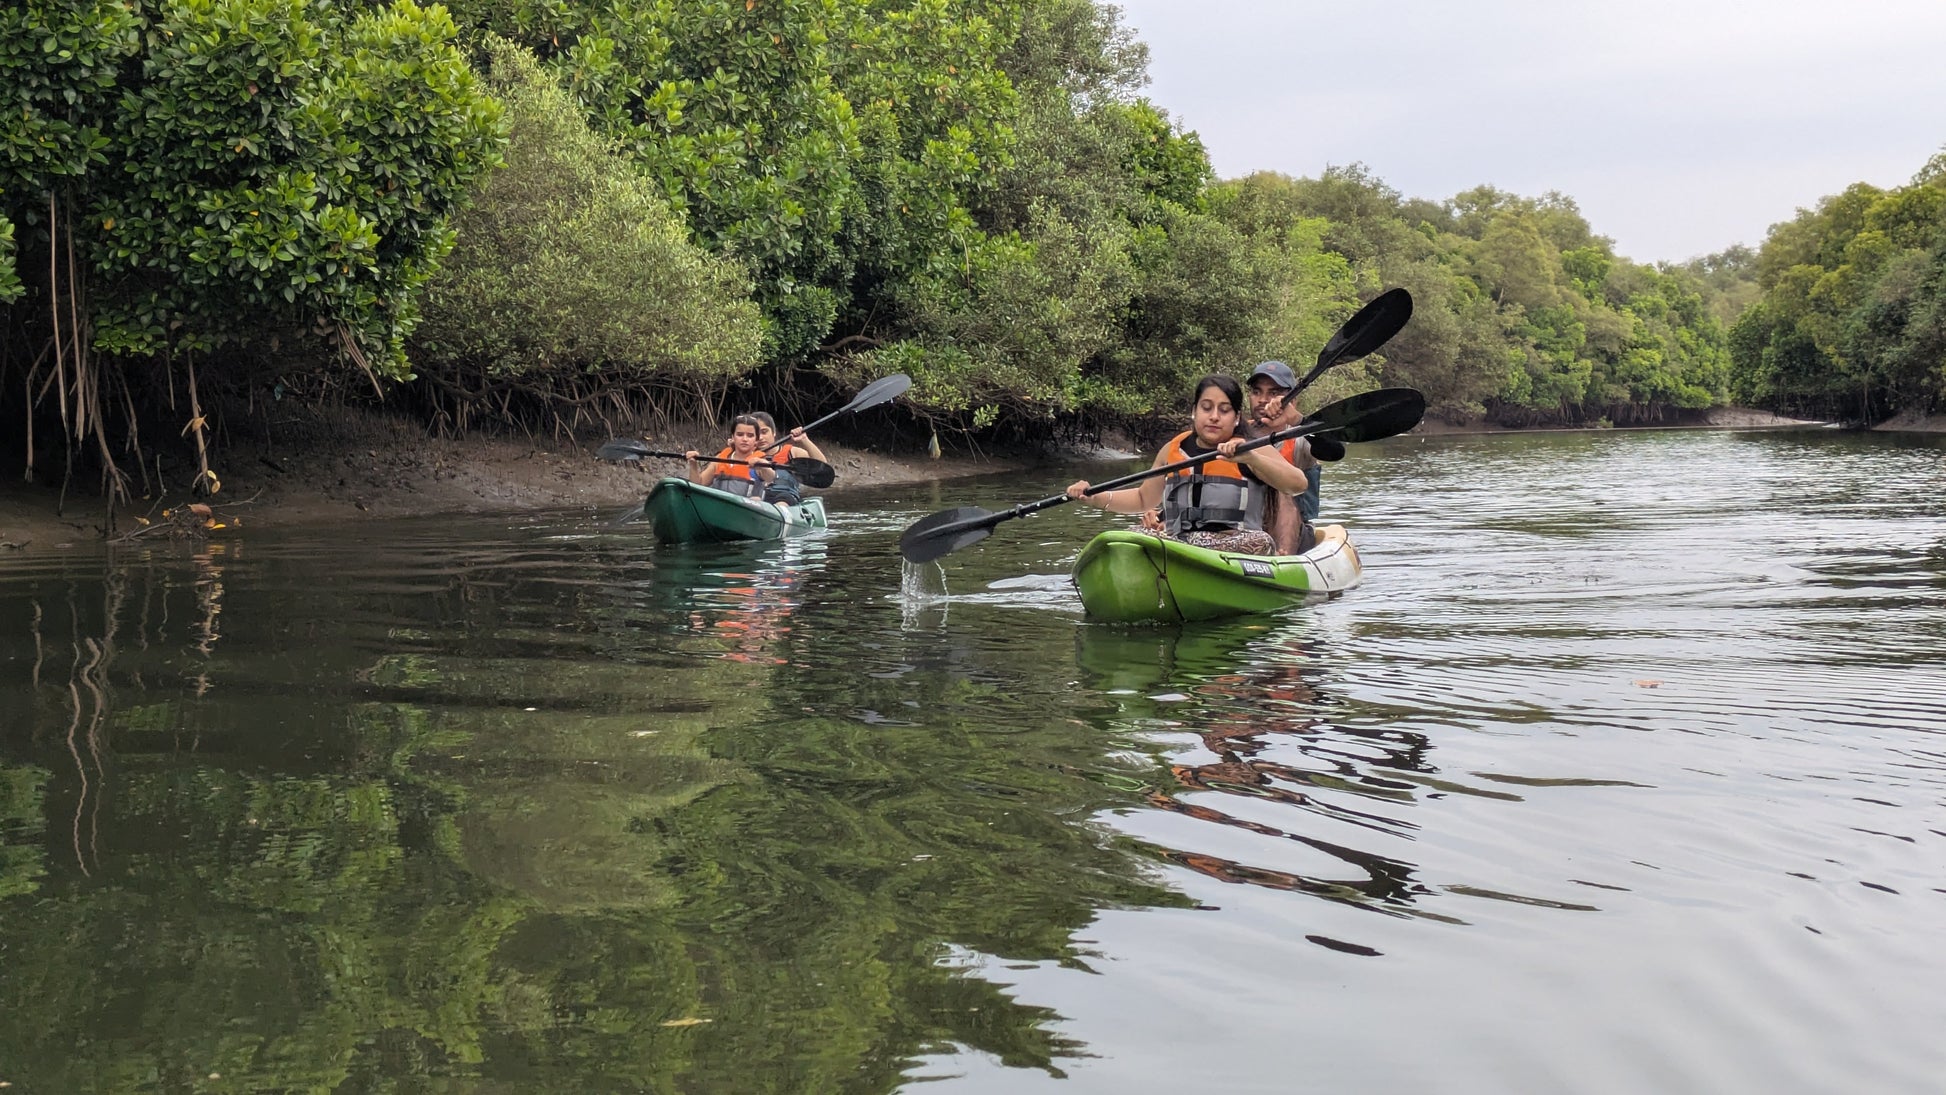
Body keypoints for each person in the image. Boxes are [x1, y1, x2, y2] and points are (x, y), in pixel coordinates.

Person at [1064, 375, 1310, 556]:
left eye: (1224, 410)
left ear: (1236, 418)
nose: (1214, 416)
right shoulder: (1173, 449)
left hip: (1235, 545)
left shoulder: (1250, 447)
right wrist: (1094, 497)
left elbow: (1298, 484)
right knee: (1125, 538)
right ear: (1194, 411)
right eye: (1206, 408)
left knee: (1260, 541)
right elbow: (1143, 499)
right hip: (1180, 542)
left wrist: (1252, 459)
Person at [1245, 361, 1323, 555]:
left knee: (1281, 488)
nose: (1263, 400)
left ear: (1292, 401)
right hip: (1245, 527)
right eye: (1257, 392)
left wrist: (1298, 420)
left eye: (1273, 393)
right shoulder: (1235, 435)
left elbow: (1335, 450)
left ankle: (1283, 556)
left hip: (1295, 533)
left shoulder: (1301, 438)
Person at [685, 415, 776, 498]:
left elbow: (771, 477)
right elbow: (698, 485)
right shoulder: (720, 458)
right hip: (719, 506)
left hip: (746, 508)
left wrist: (762, 465)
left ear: (756, 440)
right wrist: (693, 464)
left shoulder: (760, 460)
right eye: (740, 434)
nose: (745, 439)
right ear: (733, 437)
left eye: (750, 436)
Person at [748, 411, 828, 504]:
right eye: (756, 434)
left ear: (773, 432)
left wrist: (804, 440)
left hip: (786, 498)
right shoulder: (746, 456)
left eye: (764, 432)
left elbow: (822, 466)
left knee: (782, 501)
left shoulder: (792, 453)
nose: (760, 437)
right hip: (757, 498)